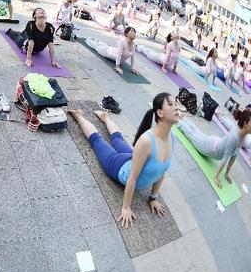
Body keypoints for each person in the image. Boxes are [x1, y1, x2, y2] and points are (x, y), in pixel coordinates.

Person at [68, 92, 179, 228]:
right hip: (118, 166)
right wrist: (126, 207)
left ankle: (105, 118)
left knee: (118, 138)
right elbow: (132, 178)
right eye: (171, 104)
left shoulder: (172, 138)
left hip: (133, 158)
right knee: (97, 140)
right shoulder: (146, 141)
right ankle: (79, 115)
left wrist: (153, 198)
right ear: (160, 113)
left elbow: (162, 172)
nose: (176, 107)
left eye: (176, 104)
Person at [177, 109, 251, 188]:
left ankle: (183, 119)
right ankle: (177, 121)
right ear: (245, 123)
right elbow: (225, 159)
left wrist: (227, 173)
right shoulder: (235, 137)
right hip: (210, 148)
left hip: (214, 143)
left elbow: (234, 156)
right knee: (191, 135)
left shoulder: (242, 136)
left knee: (197, 133)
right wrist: (216, 177)